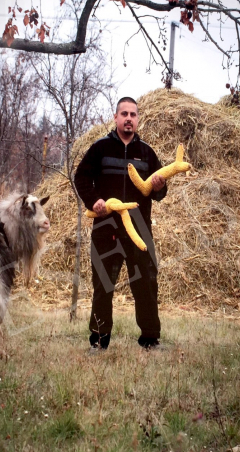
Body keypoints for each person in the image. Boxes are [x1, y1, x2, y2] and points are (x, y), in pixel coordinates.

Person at [74, 97, 167, 350]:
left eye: (133, 114)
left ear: (138, 119)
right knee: (103, 285)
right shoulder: (100, 148)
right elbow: (80, 177)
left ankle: (150, 339)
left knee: (146, 284)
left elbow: (159, 193)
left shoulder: (147, 153)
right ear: (115, 118)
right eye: (124, 114)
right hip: (106, 228)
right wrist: (94, 201)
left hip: (139, 230)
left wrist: (159, 187)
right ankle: (99, 341)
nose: (128, 118)